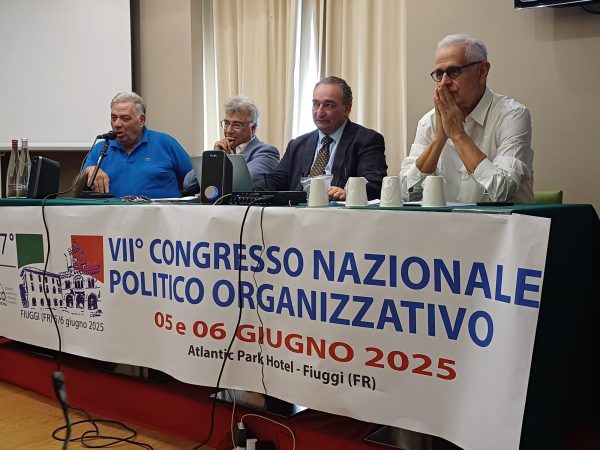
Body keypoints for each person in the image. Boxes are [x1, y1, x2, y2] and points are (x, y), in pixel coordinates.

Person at [401, 34, 534, 203]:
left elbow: (502, 191)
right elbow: (407, 193)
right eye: (439, 74)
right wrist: (438, 139)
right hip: (447, 221)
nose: (444, 82)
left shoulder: (512, 115)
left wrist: (458, 135)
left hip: (504, 220)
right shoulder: (429, 122)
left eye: (453, 72)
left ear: (482, 72)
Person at [261, 76, 387, 201]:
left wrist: (349, 193)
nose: (319, 112)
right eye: (315, 104)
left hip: (339, 212)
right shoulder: (297, 145)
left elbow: (374, 185)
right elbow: (274, 183)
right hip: (298, 211)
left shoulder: (366, 140)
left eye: (329, 105)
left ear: (347, 108)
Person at [80, 91, 192, 198]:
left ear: (141, 120)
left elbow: (194, 179)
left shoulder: (165, 143)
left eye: (125, 118)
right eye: (114, 117)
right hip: (113, 211)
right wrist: (89, 170)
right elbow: (79, 188)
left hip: (160, 211)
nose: (117, 124)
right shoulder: (101, 148)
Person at [183, 96, 280, 192]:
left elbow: (243, 183)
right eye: (226, 123)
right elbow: (189, 184)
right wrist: (215, 157)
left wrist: (224, 162)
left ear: (253, 128)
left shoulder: (267, 152)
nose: (229, 130)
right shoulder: (221, 150)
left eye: (237, 125)